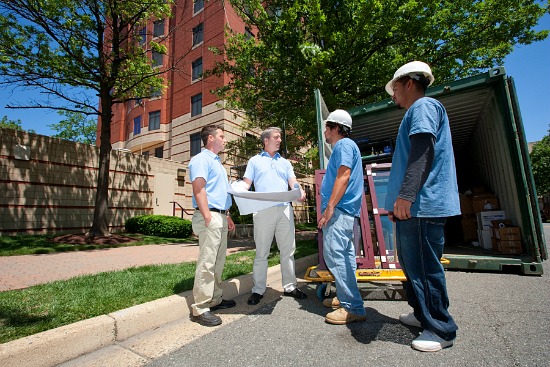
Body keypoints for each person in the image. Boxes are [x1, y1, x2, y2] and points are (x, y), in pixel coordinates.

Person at [384, 61, 460, 351]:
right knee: (412, 265)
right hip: (416, 205)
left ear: (409, 83)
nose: (393, 95)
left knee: (425, 268)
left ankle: (441, 330)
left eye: (395, 89)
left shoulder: (423, 106)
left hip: (422, 204)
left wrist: (406, 196)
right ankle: (422, 315)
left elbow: (423, 150)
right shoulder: (418, 110)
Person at [239, 127, 307, 305]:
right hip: (263, 211)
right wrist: (237, 190)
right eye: (276, 137)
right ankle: (258, 289)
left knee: (288, 250)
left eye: (280, 138)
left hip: (284, 209)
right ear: (266, 140)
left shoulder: (285, 163)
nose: (279, 140)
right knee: (262, 252)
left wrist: (298, 190)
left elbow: (293, 182)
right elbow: (247, 184)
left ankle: (290, 286)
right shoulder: (254, 161)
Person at [317, 110, 366, 325]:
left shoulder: (344, 145)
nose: (325, 132)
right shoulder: (347, 147)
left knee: (335, 257)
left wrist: (329, 208)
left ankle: (352, 307)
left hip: (339, 211)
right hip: (346, 212)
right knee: (345, 259)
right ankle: (347, 298)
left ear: (337, 128)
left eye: (327, 128)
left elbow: (343, 176)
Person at [188, 124, 236, 327]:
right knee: (207, 262)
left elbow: (219, 192)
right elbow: (198, 188)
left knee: (218, 262)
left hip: (220, 216)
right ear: (210, 139)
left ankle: (214, 299)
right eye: (222, 136)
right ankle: (200, 308)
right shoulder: (200, 160)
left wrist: (227, 215)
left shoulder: (217, 163)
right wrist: (208, 216)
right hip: (210, 217)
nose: (225, 140)